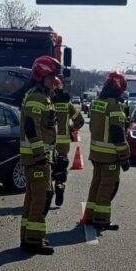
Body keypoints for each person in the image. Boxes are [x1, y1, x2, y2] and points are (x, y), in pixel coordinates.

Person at [19, 55, 60, 254]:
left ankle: (27, 237)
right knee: (41, 198)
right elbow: (31, 126)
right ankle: (34, 240)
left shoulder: (42, 96)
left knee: (32, 197)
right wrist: (40, 154)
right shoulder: (37, 97)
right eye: (51, 76)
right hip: (37, 159)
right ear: (41, 75)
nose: (54, 80)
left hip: (38, 157)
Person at [82, 71, 131, 232]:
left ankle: (89, 215)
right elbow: (117, 133)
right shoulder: (114, 106)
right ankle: (102, 220)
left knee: (96, 185)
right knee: (106, 187)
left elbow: (92, 126)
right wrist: (124, 156)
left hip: (96, 153)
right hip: (110, 155)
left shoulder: (97, 102)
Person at [51, 77, 84, 208]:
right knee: (61, 166)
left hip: (47, 141)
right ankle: (60, 184)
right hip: (63, 142)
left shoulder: (45, 101)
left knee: (47, 167)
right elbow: (80, 121)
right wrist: (71, 129)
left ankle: (47, 190)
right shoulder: (67, 105)